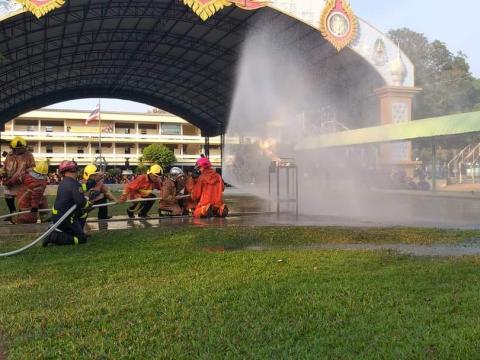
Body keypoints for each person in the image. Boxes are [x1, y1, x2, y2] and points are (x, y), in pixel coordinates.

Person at [43, 160, 92, 246]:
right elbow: (80, 202)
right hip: (66, 218)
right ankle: (55, 237)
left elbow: (81, 188)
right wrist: (88, 203)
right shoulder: (74, 184)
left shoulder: (64, 182)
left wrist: (93, 183)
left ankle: (71, 232)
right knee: (81, 239)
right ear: (73, 170)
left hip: (59, 216)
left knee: (82, 214)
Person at [2, 136, 35, 221]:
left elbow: (32, 168)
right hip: (9, 181)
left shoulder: (29, 155)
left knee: (22, 198)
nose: (20, 150)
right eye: (18, 148)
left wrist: (21, 175)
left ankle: (20, 215)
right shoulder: (10, 154)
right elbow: (5, 165)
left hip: (22, 181)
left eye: (22, 148)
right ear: (13, 148)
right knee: (8, 195)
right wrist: (3, 173)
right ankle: (12, 213)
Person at [15, 159, 50, 224]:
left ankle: (45, 216)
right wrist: (34, 206)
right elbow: (36, 196)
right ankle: (44, 217)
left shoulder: (26, 176)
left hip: (21, 198)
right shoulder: (40, 184)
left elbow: (18, 177)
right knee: (29, 218)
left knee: (43, 199)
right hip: (27, 202)